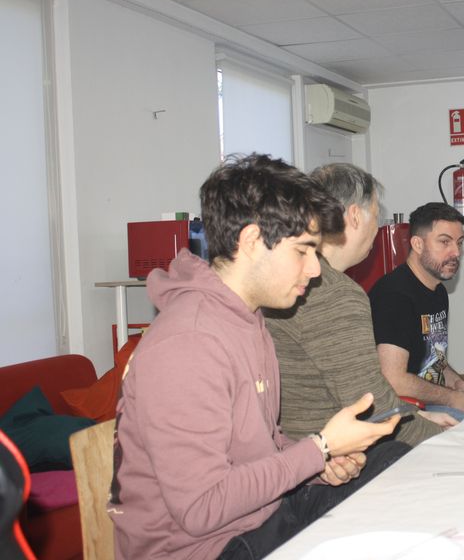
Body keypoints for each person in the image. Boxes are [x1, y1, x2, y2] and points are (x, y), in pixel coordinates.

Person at [109, 155, 408, 560]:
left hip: (260, 518)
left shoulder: (249, 319)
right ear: (252, 241)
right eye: (303, 251)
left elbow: (260, 447)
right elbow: (201, 508)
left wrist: (321, 465)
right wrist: (318, 449)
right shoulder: (188, 343)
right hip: (207, 548)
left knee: (394, 464)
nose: (315, 270)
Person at [266, 163, 453, 448]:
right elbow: (375, 411)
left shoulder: (287, 280)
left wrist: (417, 417)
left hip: (298, 445)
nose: (377, 230)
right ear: (354, 216)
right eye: (375, 217)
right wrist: (454, 440)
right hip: (333, 453)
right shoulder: (336, 294)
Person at [369, 202, 464, 421]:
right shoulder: (394, 296)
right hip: (400, 412)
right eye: (445, 242)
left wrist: (457, 383)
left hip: (430, 403)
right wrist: (451, 398)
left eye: (459, 242)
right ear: (417, 244)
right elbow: (393, 380)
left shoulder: (438, 291)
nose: (456, 252)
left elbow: (433, 359)